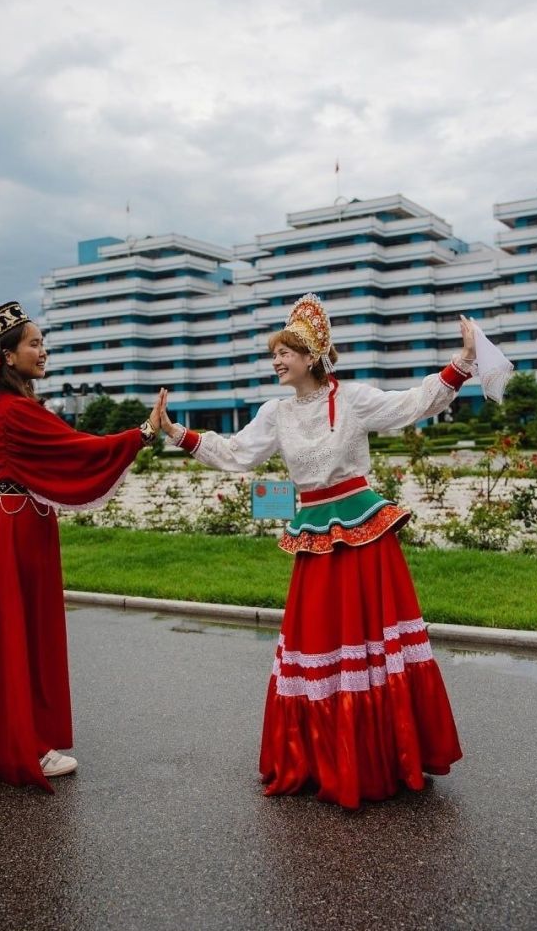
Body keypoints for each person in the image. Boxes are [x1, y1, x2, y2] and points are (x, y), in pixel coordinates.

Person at [160, 293, 476, 809]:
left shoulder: (351, 399)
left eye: (286, 352)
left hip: (363, 533)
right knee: (321, 645)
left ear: (312, 356)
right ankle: (322, 755)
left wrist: (461, 363)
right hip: (314, 535)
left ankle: (382, 755)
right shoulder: (276, 413)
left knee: (370, 645)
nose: (277, 361)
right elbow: (237, 453)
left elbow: (410, 405)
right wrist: (177, 432)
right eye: (275, 354)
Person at [0, 301, 165, 791]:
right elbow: (78, 449)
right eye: (34, 343)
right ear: (7, 356)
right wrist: (143, 432)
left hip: (16, 526)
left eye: (41, 342)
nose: (42, 350)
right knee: (20, 634)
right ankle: (25, 746)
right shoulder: (17, 412)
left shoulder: (7, 408)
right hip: (18, 533)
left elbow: (64, 450)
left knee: (3, 631)